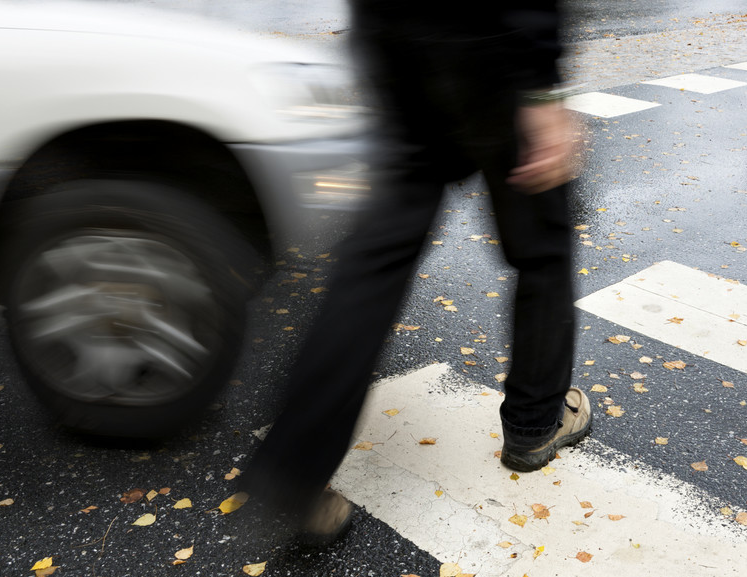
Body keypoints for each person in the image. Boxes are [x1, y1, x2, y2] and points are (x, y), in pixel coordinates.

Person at [240, 0, 591, 542]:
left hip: (396, 39)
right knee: (542, 245)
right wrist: (542, 85)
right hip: (491, 41)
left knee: (376, 259)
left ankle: (294, 468)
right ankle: (535, 424)